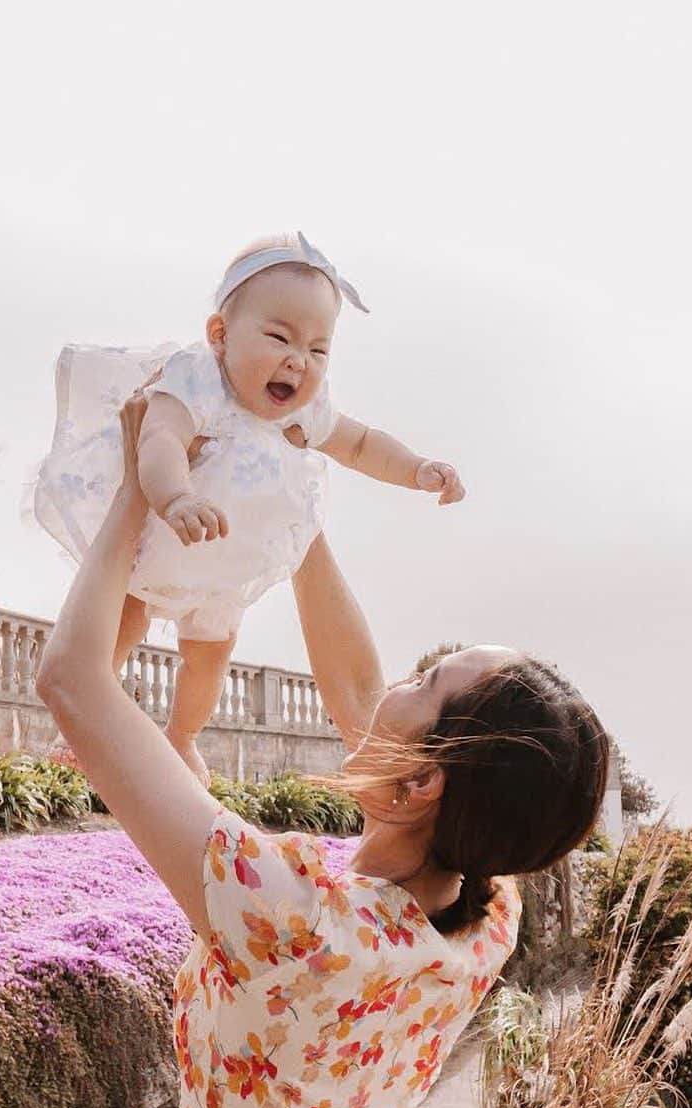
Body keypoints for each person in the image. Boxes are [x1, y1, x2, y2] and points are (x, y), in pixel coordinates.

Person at [35, 395, 611, 1108]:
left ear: (421, 784)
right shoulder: (486, 914)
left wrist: (138, 488)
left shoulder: (291, 911)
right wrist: (296, 514)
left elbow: (73, 683)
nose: (394, 687)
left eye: (425, 682)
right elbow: (361, 702)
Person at [28, 232, 465, 785]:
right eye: (279, 337)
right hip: (163, 541)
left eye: (318, 349)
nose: (298, 361)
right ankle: (77, 726)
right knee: (124, 622)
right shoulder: (198, 380)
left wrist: (416, 469)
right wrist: (176, 496)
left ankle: (182, 737)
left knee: (209, 653)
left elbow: (359, 444)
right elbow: (157, 438)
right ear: (220, 335)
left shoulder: (304, 414)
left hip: (228, 569)